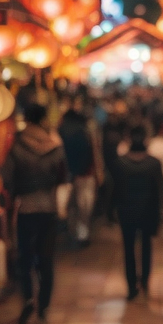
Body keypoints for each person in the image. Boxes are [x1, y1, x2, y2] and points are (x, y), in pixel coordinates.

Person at [5, 103, 68, 324]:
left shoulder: (17, 144)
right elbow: (63, 176)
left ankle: (28, 299)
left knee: (25, 258)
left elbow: (8, 178)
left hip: (25, 208)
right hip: (48, 207)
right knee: (46, 260)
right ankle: (43, 310)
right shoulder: (55, 145)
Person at [113, 125, 163, 300]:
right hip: (148, 211)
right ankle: (144, 281)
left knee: (128, 248)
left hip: (126, 212)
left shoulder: (120, 163)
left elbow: (114, 190)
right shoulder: (153, 163)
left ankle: (131, 285)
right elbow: (160, 190)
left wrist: (111, 210)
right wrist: (161, 212)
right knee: (146, 246)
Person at [58, 103, 98, 246]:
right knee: (84, 207)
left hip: (66, 175)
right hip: (84, 175)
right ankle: (82, 235)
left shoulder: (60, 131)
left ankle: (72, 232)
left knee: (71, 207)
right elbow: (90, 154)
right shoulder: (84, 131)